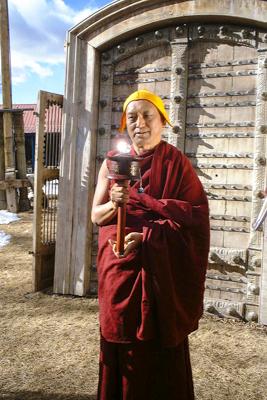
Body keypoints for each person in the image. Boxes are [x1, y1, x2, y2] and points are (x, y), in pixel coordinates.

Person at [91, 89, 210, 400]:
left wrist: (147, 239)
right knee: (123, 347)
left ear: (162, 122)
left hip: (160, 276)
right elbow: (96, 216)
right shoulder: (113, 164)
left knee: (158, 349)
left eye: (148, 116)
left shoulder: (177, 164)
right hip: (120, 270)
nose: (139, 123)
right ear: (124, 124)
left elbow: (194, 220)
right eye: (132, 117)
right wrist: (116, 203)